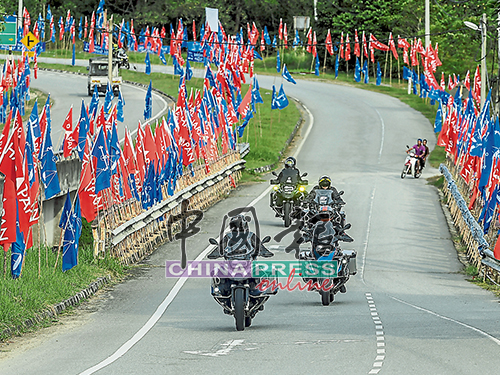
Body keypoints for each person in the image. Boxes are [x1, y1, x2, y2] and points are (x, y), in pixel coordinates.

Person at [207, 214, 274, 259]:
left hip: (248, 261)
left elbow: (259, 246)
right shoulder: (228, 237)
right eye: (235, 226)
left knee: (261, 273)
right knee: (217, 273)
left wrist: (264, 252)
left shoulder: (251, 236)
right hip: (231, 261)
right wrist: (215, 253)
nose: (238, 228)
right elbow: (221, 247)